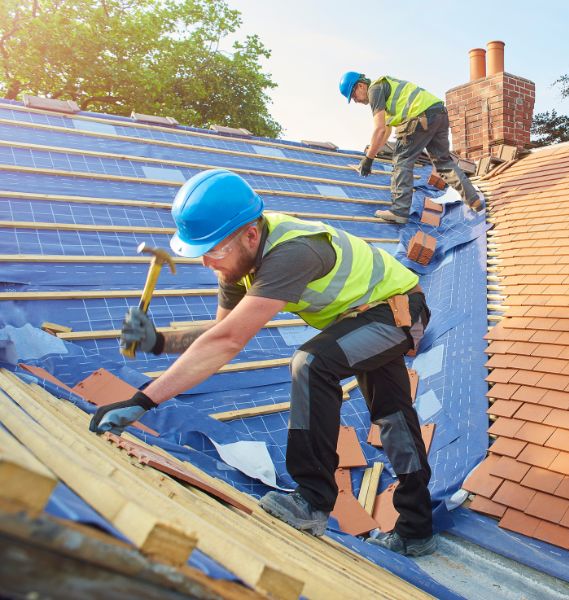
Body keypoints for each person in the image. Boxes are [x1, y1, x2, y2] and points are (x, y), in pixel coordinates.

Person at [89, 168, 437, 557]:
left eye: (214, 250)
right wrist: (159, 342)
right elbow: (221, 334)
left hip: (399, 311)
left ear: (251, 235)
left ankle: (312, 500)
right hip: (362, 318)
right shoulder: (236, 262)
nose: (207, 262)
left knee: (311, 363)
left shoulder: (292, 252)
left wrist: (142, 401)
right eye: (201, 252)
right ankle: (417, 529)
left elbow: (226, 343)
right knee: (393, 417)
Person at [339, 71, 484, 224]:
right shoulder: (386, 93)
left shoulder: (374, 90)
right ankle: (474, 200)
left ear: (361, 85)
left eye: (353, 95)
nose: (355, 101)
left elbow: (379, 129)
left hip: (420, 116)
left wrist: (368, 159)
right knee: (443, 163)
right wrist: (372, 154)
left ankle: (399, 211)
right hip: (438, 114)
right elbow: (385, 132)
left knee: (402, 160)